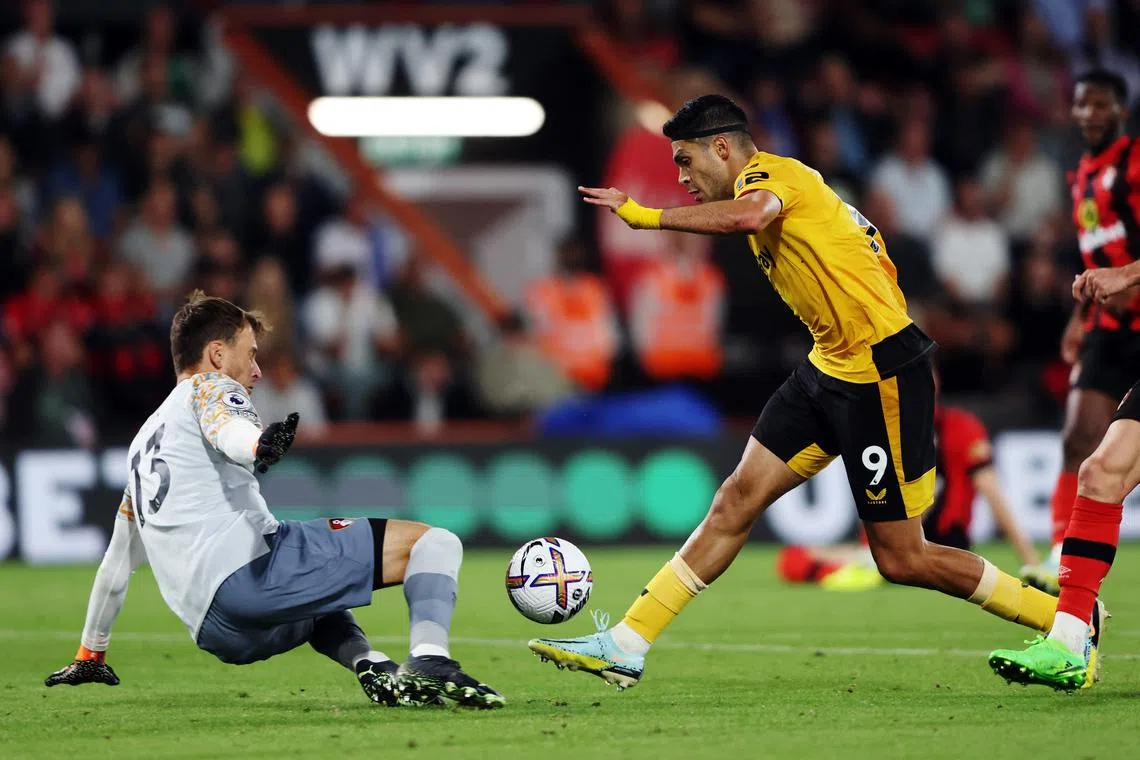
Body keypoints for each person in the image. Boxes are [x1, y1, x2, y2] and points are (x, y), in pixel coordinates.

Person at [528, 94, 1077, 691]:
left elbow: (749, 215)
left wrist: (647, 215)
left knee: (903, 558)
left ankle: (1067, 622)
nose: (681, 177)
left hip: (879, 371)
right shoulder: (785, 187)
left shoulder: (773, 176)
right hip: (830, 366)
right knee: (735, 499)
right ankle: (626, 644)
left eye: (685, 162)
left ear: (722, 148)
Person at [44, 291, 503, 709]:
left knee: (318, 594)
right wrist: (258, 444)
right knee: (435, 543)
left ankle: (371, 663)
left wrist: (92, 651)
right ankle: (429, 659)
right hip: (250, 578)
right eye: (251, 355)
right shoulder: (212, 386)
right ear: (217, 354)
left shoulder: (142, 444)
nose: (257, 371)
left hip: (216, 631)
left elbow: (116, 563)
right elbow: (229, 429)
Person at [987, 253, 1140, 691]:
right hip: (1116, 335)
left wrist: (1126, 274)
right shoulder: (1092, 184)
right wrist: (1085, 314)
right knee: (1099, 472)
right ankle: (1070, 643)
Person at [1020, 70, 1140, 597]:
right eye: (1080, 104)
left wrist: (1125, 277)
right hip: (1107, 326)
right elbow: (1096, 255)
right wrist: (1079, 317)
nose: (1088, 113)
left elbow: (1118, 262)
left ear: (1122, 109)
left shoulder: (1135, 163)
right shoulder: (1082, 176)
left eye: (1099, 104)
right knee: (1077, 441)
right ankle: (1058, 557)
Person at [778, 402, 1040, 591]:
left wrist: (1029, 559)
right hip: (897, 546)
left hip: (938, 546)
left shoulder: (960, 428)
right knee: (794, 558)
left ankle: (859, 567)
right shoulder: (884, 427)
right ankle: (864, 564)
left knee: (798, 560)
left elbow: (993, 494)